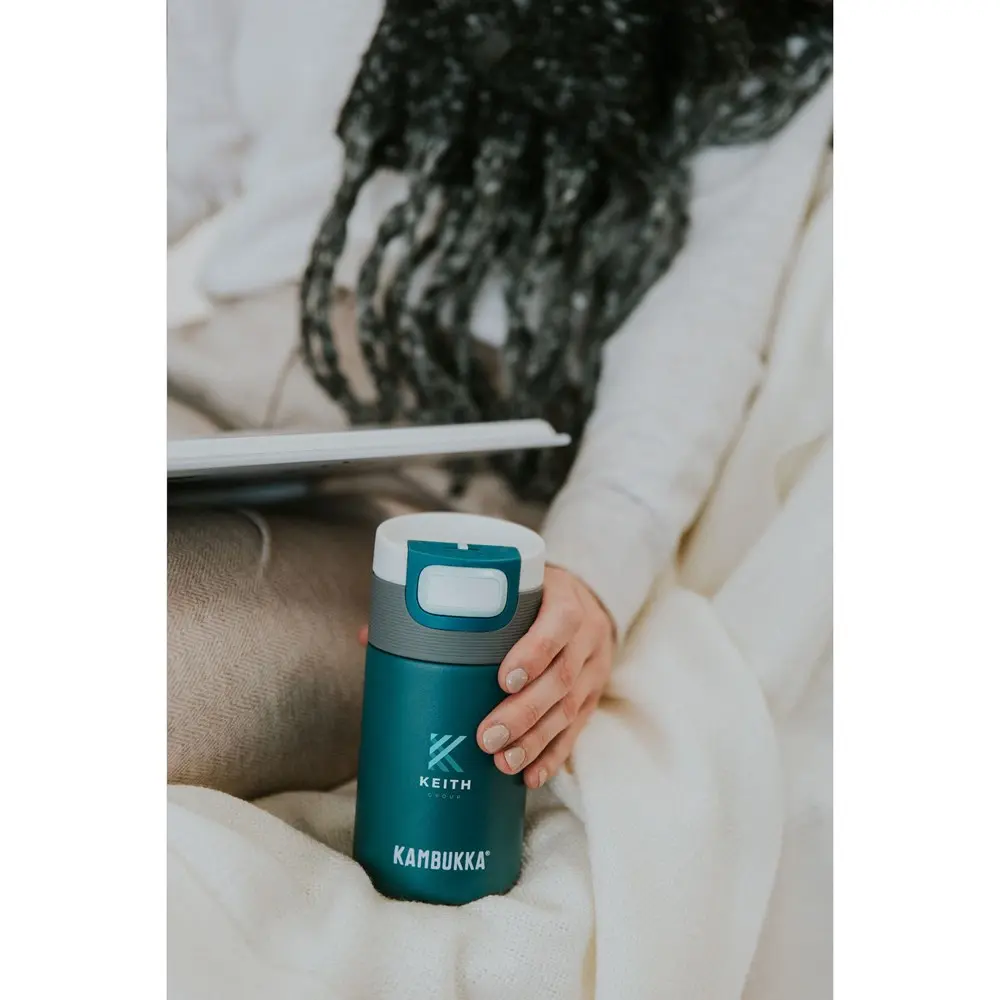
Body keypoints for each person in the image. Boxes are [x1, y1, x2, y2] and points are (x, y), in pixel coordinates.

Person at [167, 0, 833, 799]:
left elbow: (697, 333)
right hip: (205, 374)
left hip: (432, 481)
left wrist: (592, 572)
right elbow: (176, 152)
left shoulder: (761, 26)